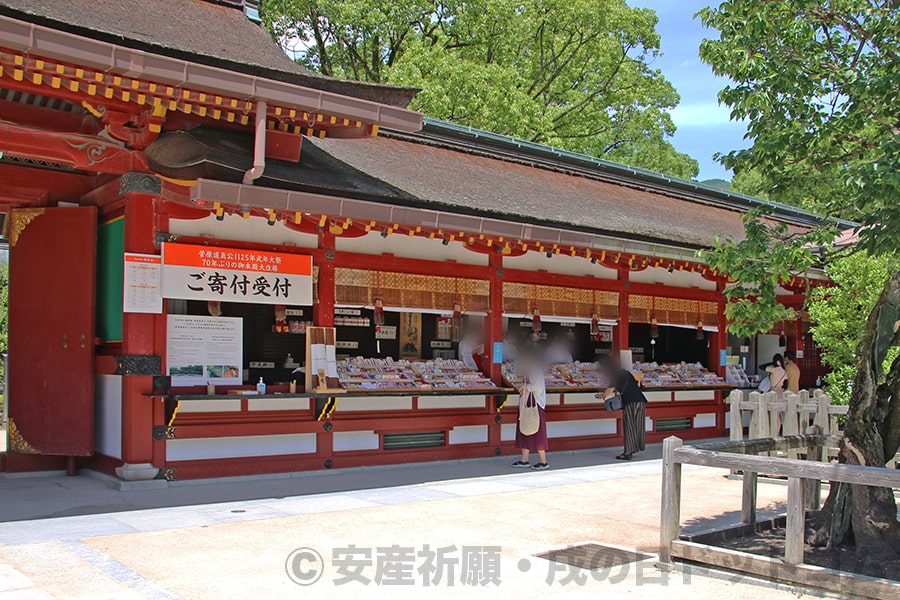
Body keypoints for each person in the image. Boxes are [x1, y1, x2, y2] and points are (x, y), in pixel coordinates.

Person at [599, 357, 647, 460]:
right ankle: (636, 447)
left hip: (630, 402)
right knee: (638, 425)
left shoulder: (615, 375)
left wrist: (601, 396)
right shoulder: (626, 373)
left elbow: (610, 390)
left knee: (629, 426)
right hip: (640, 400)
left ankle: (627, 452)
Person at [512, 348, 549, 470]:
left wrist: (525, 387)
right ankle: (524, 459)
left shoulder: (536, 370)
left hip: (535, 404)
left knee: (538, 431)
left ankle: (543, 461)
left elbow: (537, 386)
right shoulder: (528, 370)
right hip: (526, 402)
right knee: (524, 429)